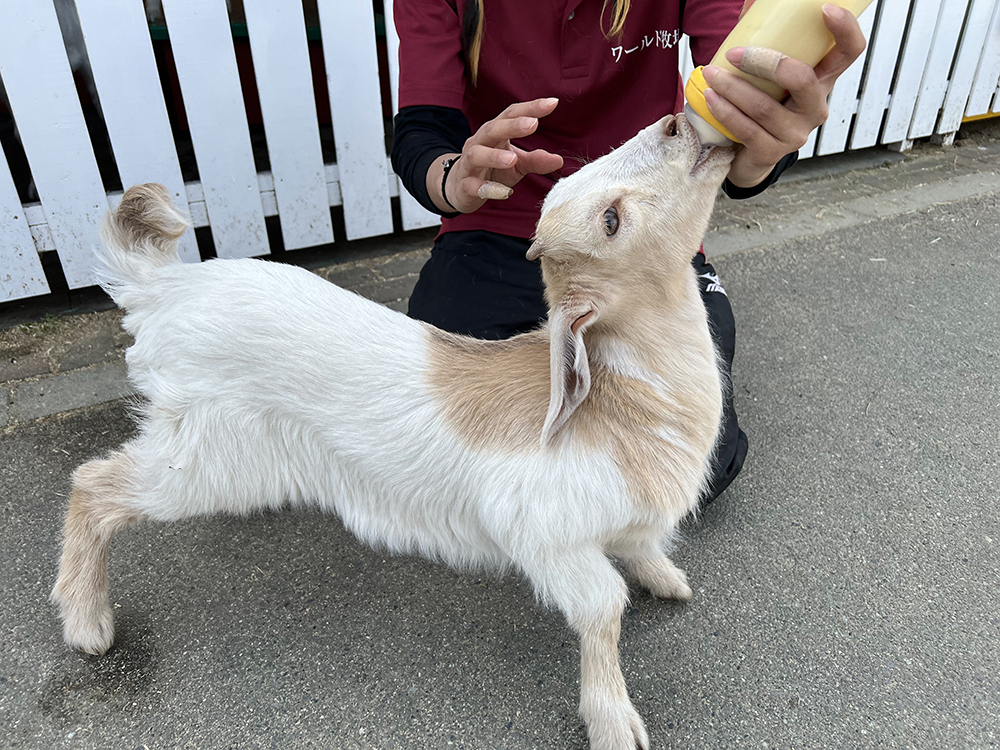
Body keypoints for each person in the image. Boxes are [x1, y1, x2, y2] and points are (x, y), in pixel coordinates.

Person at [390, 0, 865, 503]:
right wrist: (454, 178)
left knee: (699, 468)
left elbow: (741, 102)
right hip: (502, 216)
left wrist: (760, 152)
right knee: (436, 419)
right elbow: (422, 131)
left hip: (644, 219)